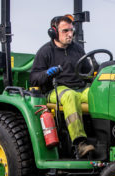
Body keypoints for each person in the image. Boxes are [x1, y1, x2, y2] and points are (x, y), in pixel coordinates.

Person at [29, 14, 95, 158]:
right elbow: (33, 78)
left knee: (98, 94)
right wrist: (47, 73)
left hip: (80, 88)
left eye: (72, 31)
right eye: (65, 31)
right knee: (70, 96)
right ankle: (80, 144)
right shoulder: (45, 51)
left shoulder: (77, 49)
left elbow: (88, 72)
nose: (70, 34)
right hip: (57, 89)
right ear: (53, 32)